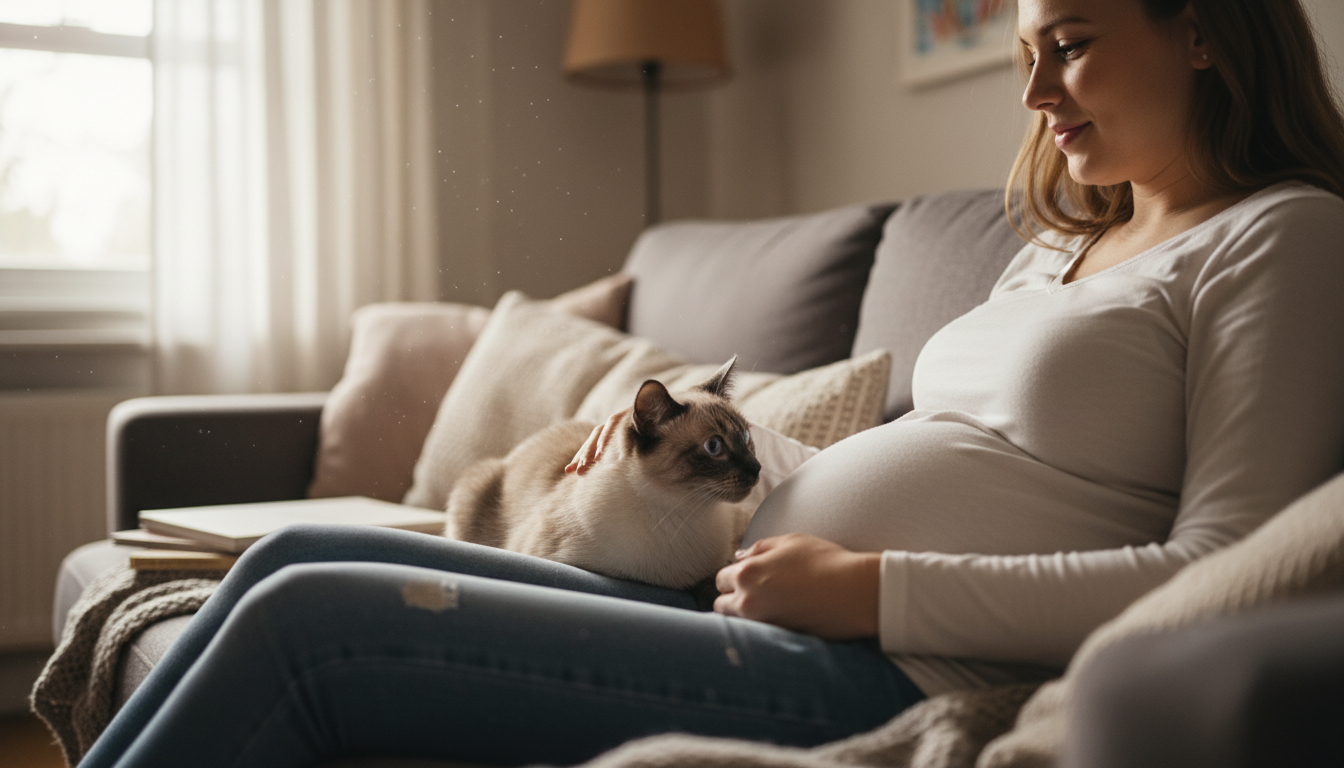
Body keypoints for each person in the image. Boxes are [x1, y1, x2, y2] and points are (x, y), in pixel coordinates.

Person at [80, 0, 1344, 766]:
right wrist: (651, 446)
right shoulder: (1059, 250)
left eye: (1069, 45)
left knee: (315, 632)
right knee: (284, 560)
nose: (1031, 92)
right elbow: (937, 455)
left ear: (1201, 30)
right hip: (732, 590)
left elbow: (1223, 572)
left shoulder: (1279, 238)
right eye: (1023, 50)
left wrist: (876, 591)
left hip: (902, 668)